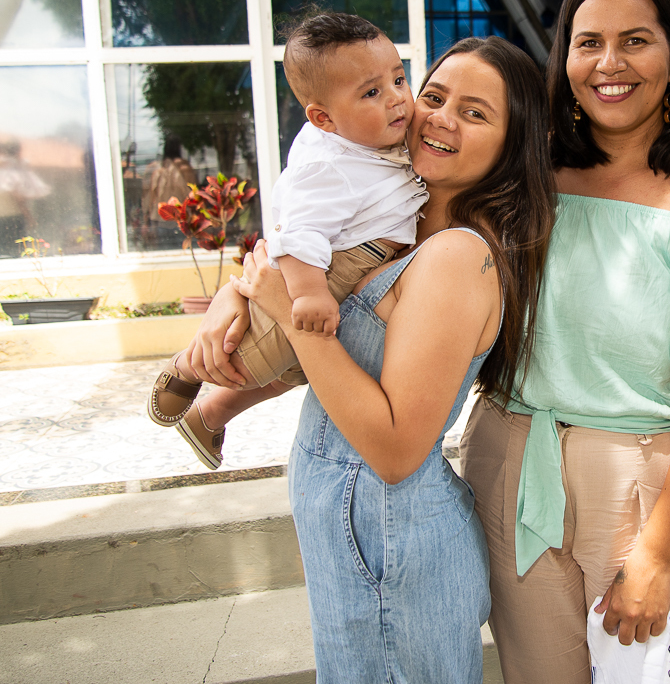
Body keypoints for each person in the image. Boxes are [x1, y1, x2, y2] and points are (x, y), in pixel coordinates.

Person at [178, 36, 556, 682]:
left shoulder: (457, 257)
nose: (438, 116)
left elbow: (397, 449)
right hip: (361, 529)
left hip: (391, 532)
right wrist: (237, 298)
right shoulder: (393, 228)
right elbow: (329, 342)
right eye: (434, 95)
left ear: (510, 144)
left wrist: (294, 318)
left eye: (475, 113)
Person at [457, 0, 670, 683]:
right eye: (588, 41)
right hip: (510, 458)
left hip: (642, 486)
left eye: (636, 40)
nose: (610, 62)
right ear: (565, 56)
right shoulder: (525, 172)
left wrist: (659, 553)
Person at [146, 12, 428, 471]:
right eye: (372, 92)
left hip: (350, 269)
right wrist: (309, 293)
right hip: (323, 271)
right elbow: (297, 234)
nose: (398, 99)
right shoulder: (328, 165)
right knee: (255, 360)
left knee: (298, 369)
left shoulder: (378, 139)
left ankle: (209, 416)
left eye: (399, 79)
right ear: (324, 118)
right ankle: (188, 365)